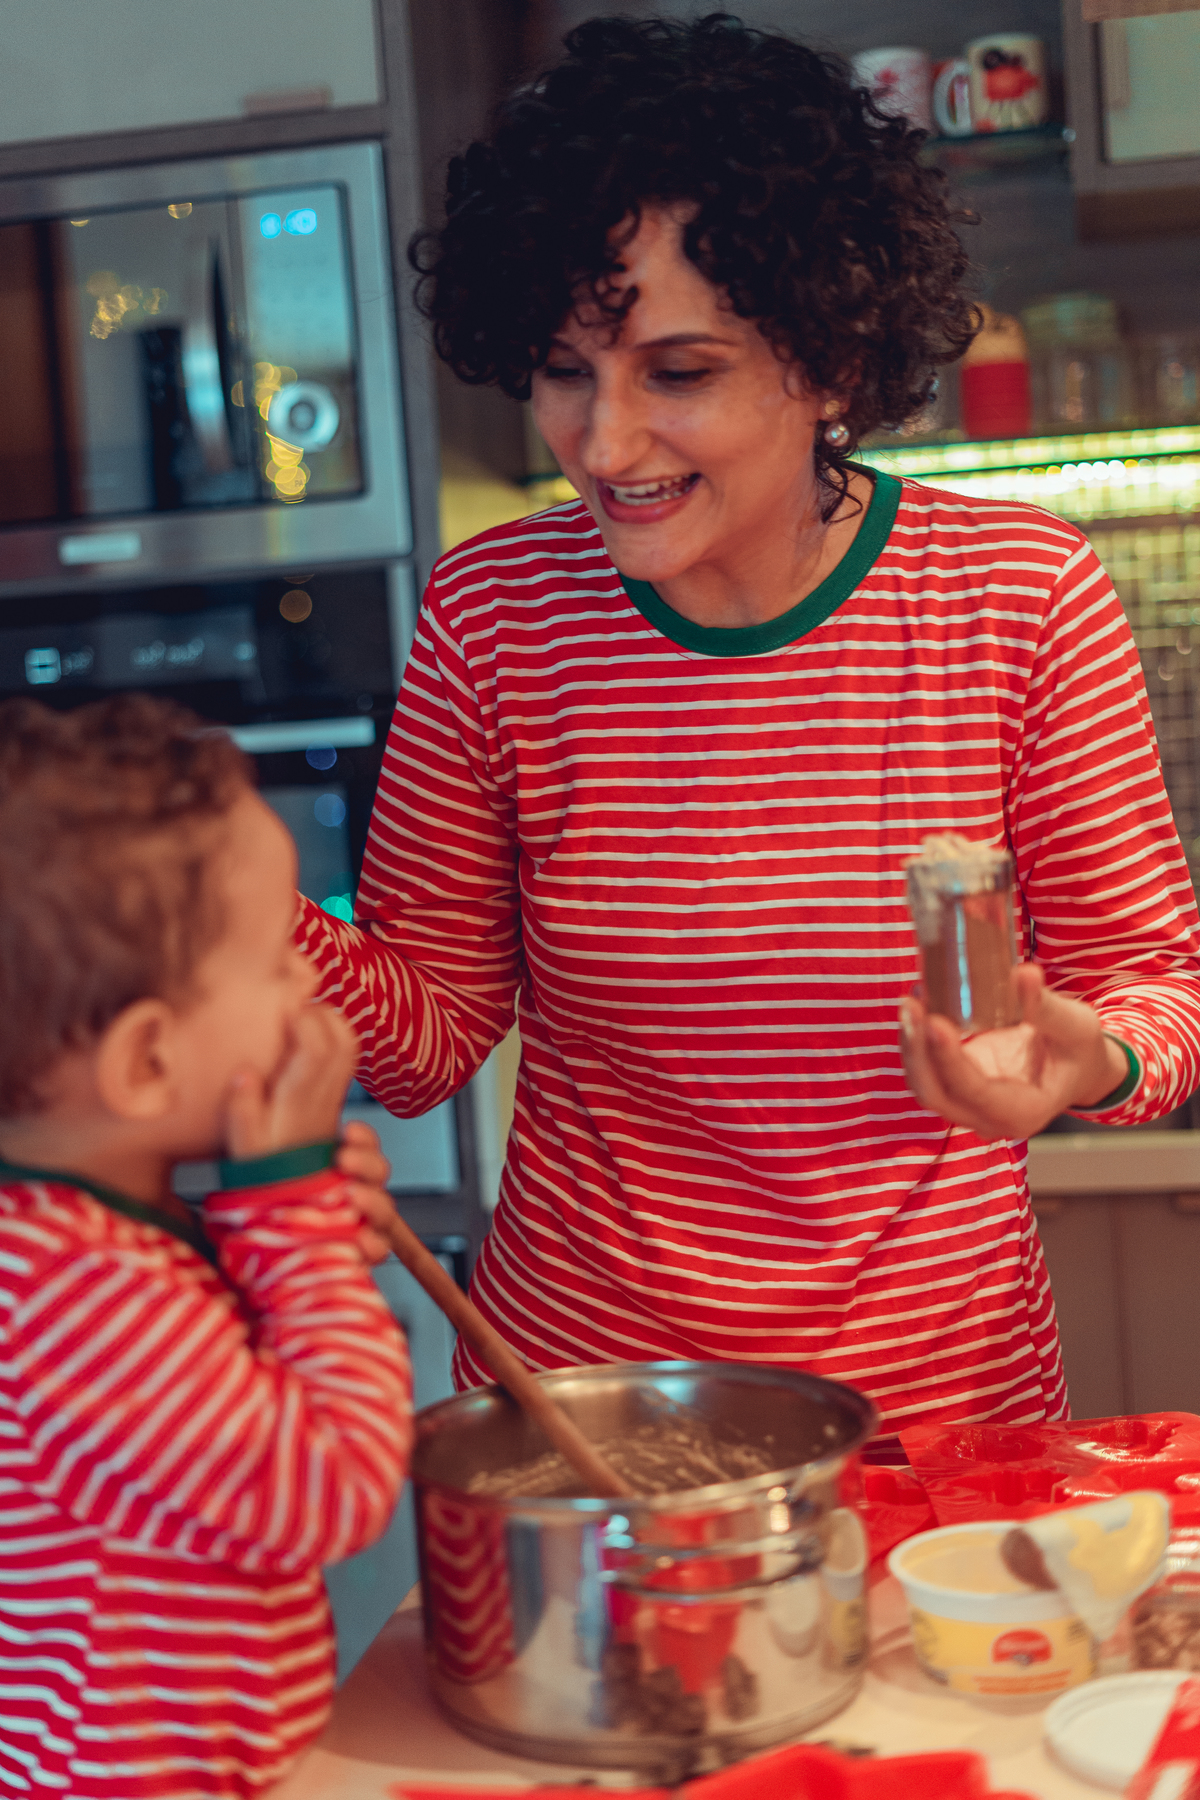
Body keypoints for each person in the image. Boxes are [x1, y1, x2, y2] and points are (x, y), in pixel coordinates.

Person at [300, 13, 1200, 1433]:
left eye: (679, 372)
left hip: (939, 1420)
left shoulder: (1019, 595)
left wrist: (1084, 1058)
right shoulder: (497, 616)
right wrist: (243, 907)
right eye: (562, 369)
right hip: (590, 1419)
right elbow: (427, 1041)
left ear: (830, 360)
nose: (604, 446)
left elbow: (1161, 991)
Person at [0, 695, 411, 1799]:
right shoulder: (77, 1289)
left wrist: (290, 1227)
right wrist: (292, 1220)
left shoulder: (70, 1238)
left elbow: (215, 1404)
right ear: (146, 1064)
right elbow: (333, 1487)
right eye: (275, 958)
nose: (312, 980)